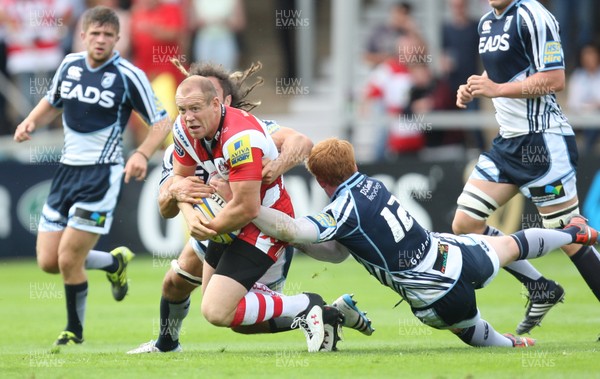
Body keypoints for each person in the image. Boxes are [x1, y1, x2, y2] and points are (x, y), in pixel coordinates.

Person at [249, 137, 598, 348]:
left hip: (435, 295)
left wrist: (249, 209)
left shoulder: (341, 208)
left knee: (469, 329)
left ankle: (512, 343)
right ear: (353, 163)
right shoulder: (372, 183)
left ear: (321, 180)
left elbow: (296, 231)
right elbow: (339, 252)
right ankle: (572, 233)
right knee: (511, 245)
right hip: (452, 256)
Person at [127, 61, 373, 353]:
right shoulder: (183, 131)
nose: (188, 117)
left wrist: (275, 167)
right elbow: (169, 201)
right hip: (223, 221)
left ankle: (309, 306)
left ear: (220, 103)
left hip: (261, 223)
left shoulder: (243, 137)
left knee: (220, 310)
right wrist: (185, 203)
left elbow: (249, 203)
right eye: (183, 109)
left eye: (195, 108)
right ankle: (325, 314)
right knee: (213, 306)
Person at [13, 6, 171, 345]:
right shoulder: (70, 64)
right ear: (82, 35)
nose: (100, 40)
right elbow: (52, 101)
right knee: (48, 262)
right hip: (66, 172)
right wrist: (30, 121)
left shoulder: (129, 75)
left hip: (102, 176)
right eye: (94, 34)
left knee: (69, 258)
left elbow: (161, 121)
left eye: (108, 35)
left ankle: (75, 329)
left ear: (117, 39)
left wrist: (142, 153)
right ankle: (114, 263)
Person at [454, 0, 600, 336]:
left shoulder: (535, 15)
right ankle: (540, 287)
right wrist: (478, 85)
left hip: (544, 144)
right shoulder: (487, 23)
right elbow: (503, 72)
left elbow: (554, 78)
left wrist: (498, 90)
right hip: (508, 146)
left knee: (570, 237)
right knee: (465, 223)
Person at [567, 43, 600, 155]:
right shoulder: (578, 76)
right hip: (582, 118)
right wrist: (591, 106)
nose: (589, 59)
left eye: (592, 54)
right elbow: (573, 103)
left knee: (593, 127)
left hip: (597, 119)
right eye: (585, 56)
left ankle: (587, 158)